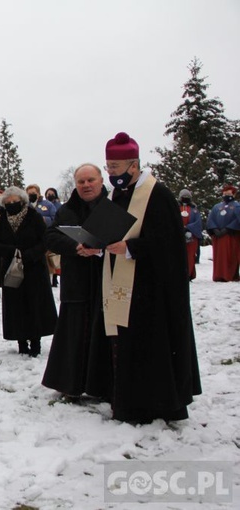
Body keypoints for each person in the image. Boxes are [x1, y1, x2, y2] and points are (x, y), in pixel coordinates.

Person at [98, 131, 201, 423]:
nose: (111, 174)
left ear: (133, 165)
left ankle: (154, 404)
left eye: (114, 168)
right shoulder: (118, 193)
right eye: (108, 168)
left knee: (149, 346)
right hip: (122, 286)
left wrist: (131, 247)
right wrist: (93, 243)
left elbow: (168, 243)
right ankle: (126, 401)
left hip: (151, 290)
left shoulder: (158, 195)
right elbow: (105, 230)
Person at [42, 165, 108, 398]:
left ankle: (104, 386)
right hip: (77, 283)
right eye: (81, 182)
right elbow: (50, 236)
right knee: (75, 335)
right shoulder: (67, 210)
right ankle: (71, 385)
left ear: (101, 181)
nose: (86, 185)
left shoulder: (114, 208)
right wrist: (75, 247)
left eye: (91, 180)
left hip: (106, 282)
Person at [0, 187, 57, 357]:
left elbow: (45, 241)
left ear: (23, 201)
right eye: (8, 202)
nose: (12, 205)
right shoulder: (1, 221)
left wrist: (29, 254)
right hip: (12, 269)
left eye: (15, 202)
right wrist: (12, 251)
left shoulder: (34, 217)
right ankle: (20, 340)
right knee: (15, 305)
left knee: (34, 304)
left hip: (34, 267)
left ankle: (35, 341)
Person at [206, 184, 240, 282]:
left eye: (228, 193)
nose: (226, 195)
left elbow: (238, 220)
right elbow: (211, 219)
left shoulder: (237, 206)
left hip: (231, 235)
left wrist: (228, 228)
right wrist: (214, 229)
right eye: (224, 193)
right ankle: (219, 275)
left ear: (233, 194)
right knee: (219, 257)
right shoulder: (217, 207)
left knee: (230, 256)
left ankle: (230, 275)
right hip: (218, 237)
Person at [178, 189, 203, 281]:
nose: (185, 199)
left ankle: (188, 274)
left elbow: (198, 222)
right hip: (178, 235)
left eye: (187, 197)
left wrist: (188, 228)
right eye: (183, 197)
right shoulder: (175, 208)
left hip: (191, 237)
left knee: (190, 256)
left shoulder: (194, 210)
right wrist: (180, 228)